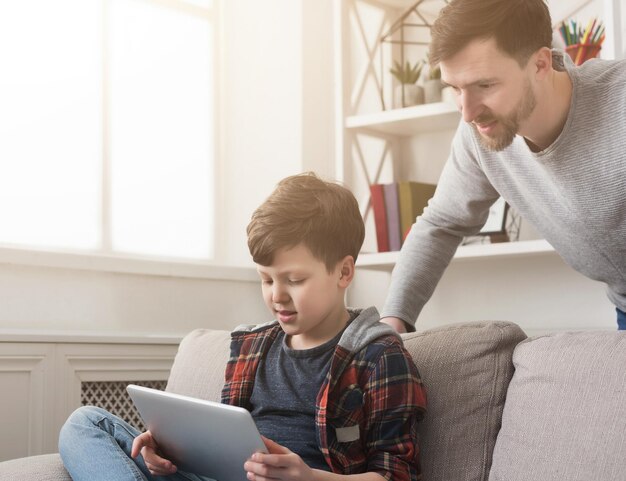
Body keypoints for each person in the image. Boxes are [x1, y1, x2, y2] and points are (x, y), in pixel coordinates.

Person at [58, 172, 427, 481]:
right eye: (266, 280)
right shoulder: (252, 345)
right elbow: (219, 448)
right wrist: (167, 447)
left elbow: (397, 475)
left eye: (294, 280)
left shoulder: (380, 357)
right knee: (85, 423)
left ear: (344, 272)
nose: (277, 295)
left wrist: (310, 478)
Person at [380, 0, 626, 333]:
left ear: (540, 63)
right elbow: (441, 223)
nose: (467, 112)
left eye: (484, 85)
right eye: (454, 87)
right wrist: (393, 320)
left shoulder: (618, 101)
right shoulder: (478, 136)